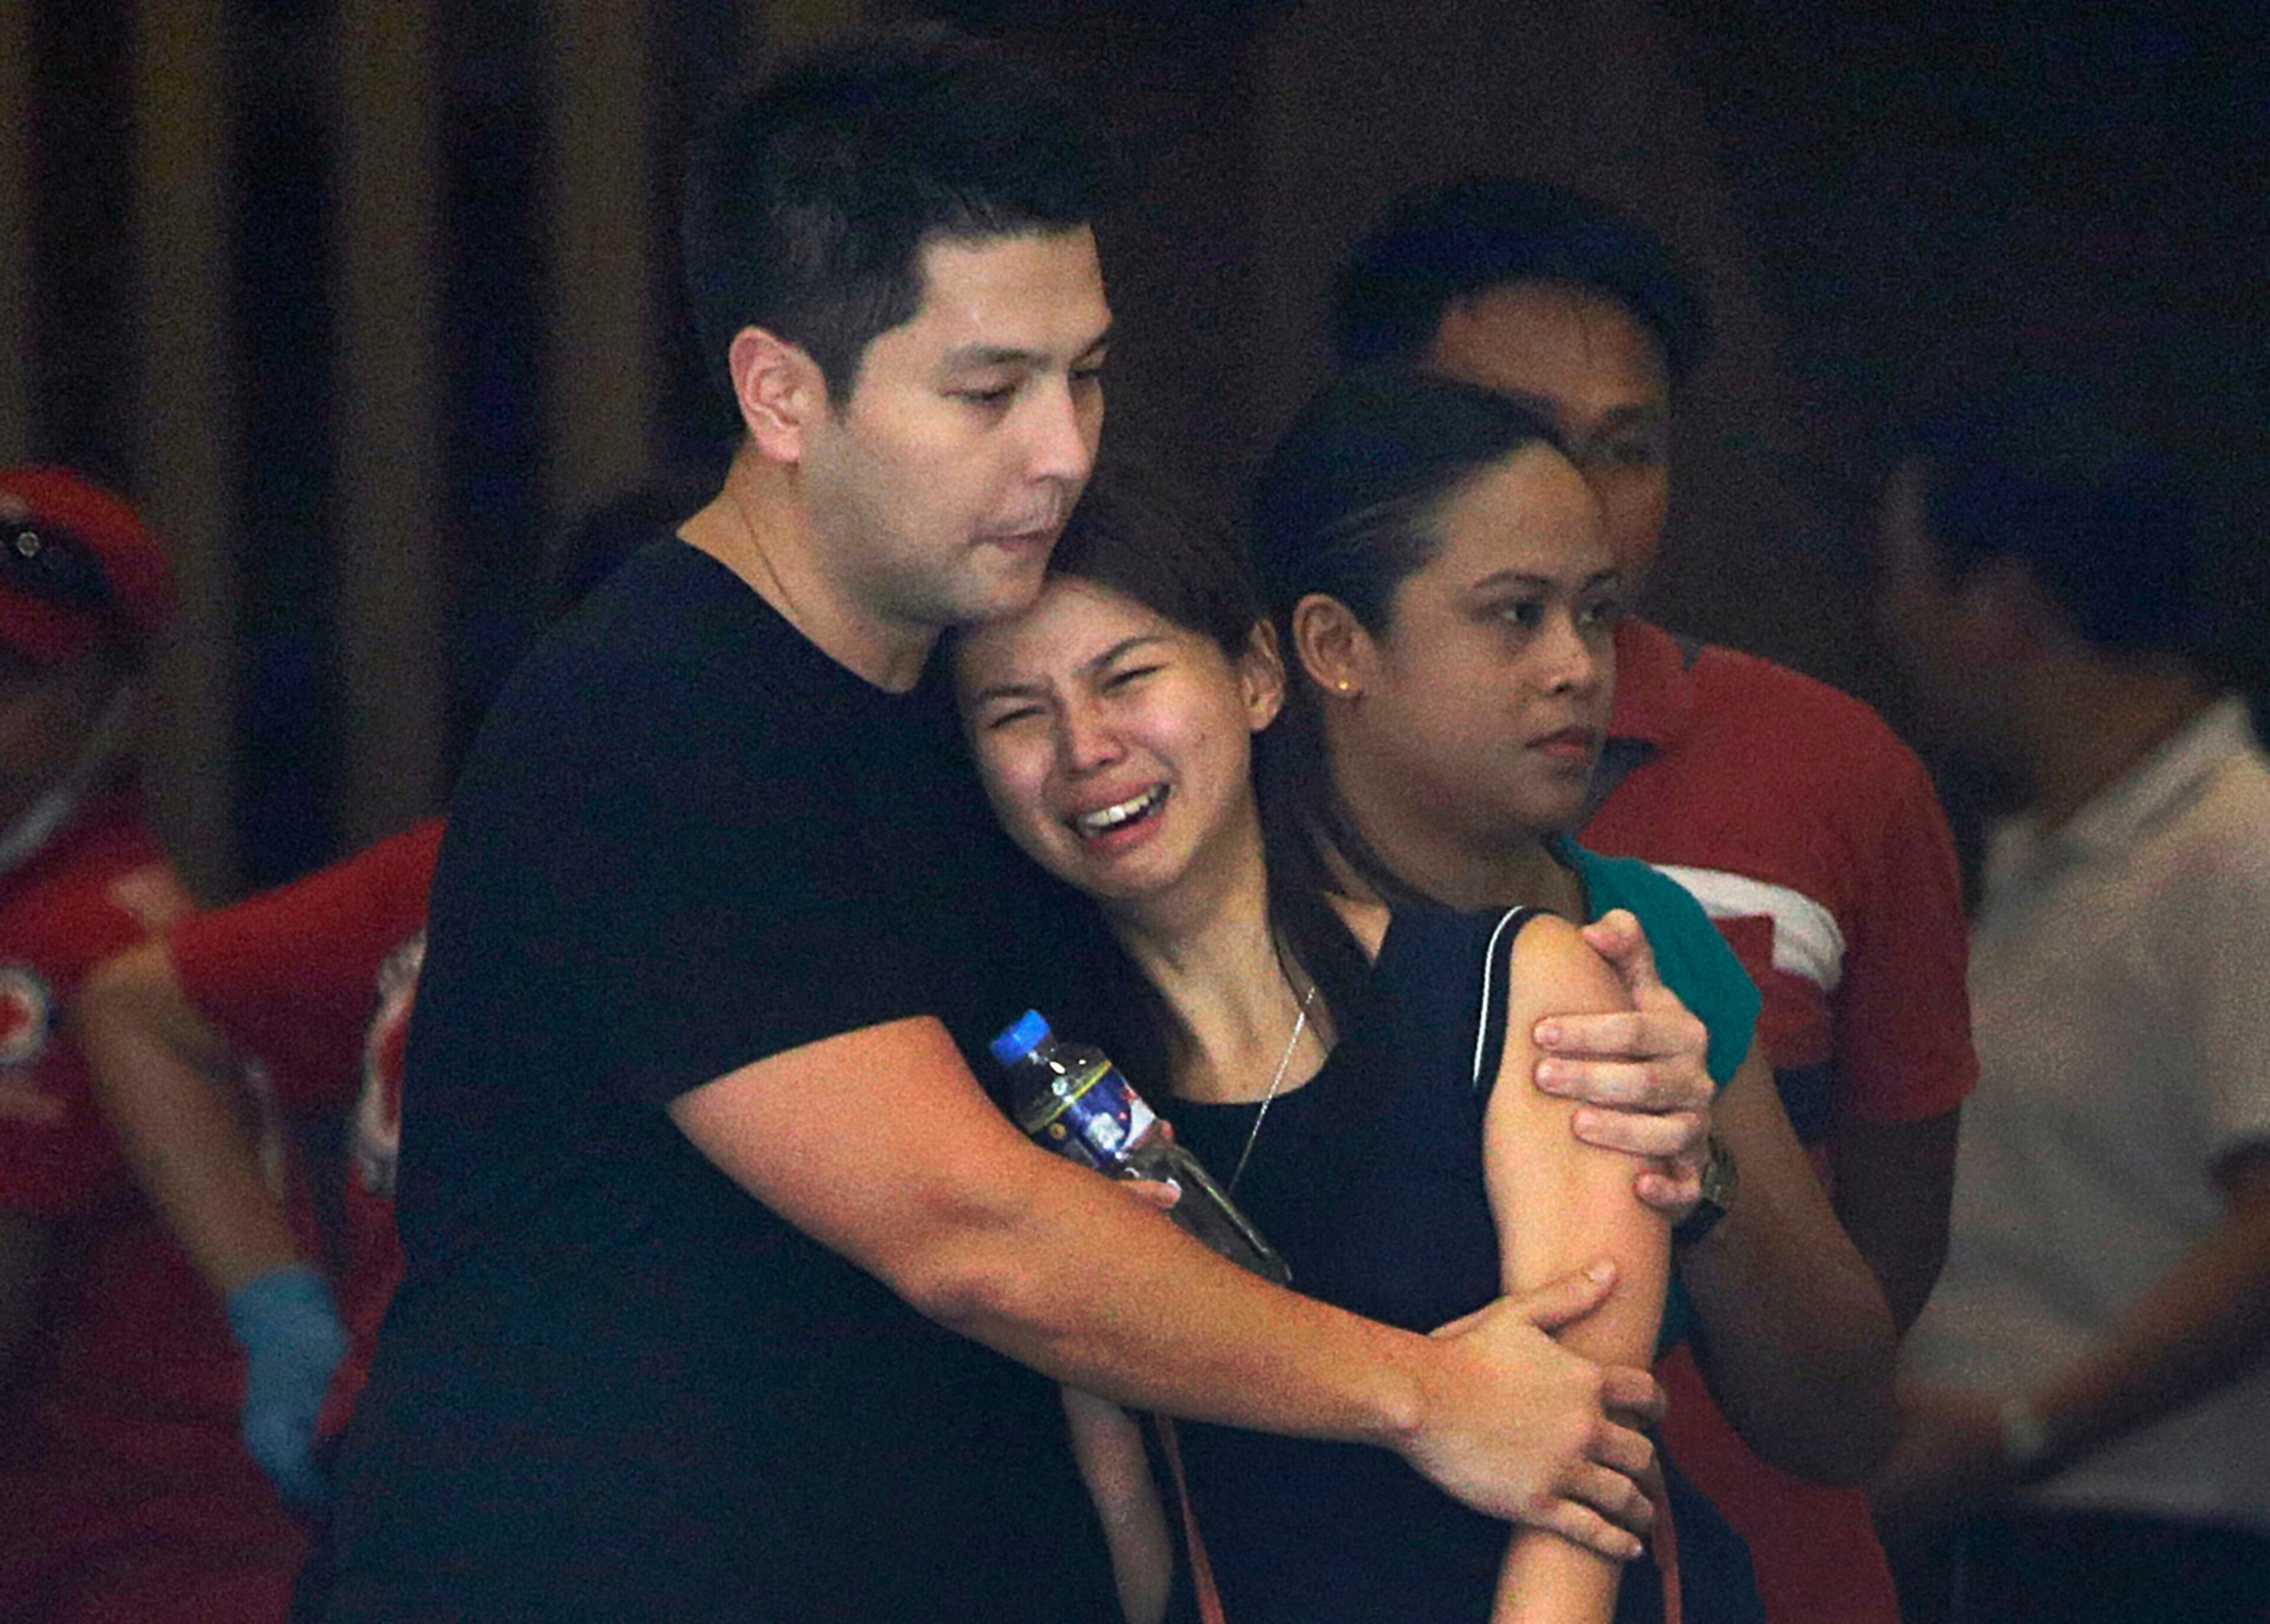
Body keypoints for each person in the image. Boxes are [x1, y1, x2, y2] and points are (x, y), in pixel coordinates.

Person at [306, 37, 1717, 1622]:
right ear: (781, 390)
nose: (1062, 447)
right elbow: (969, 1229)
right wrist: (1429, 1394)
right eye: (989, 390)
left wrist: (1618, 1056)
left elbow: (1256, 1018)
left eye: (1087, 374)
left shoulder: (957, 705)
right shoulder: (659, 718)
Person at [1332, 177, 1976, 1623]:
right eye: (1517, 443)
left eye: (1630, 451)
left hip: (1756, 1569)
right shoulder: (1227, 820)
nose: (1581, 514)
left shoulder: (1833, 775)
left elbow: (1876, 1308)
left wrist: (1705, 1171)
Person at [954, 452, 1730, 1624]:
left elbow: (1586, 1501)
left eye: (1129, 677)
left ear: (1260, 676)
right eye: (1018, 713)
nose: (1086, 745)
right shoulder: (1046, 1112)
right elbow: (1141, 1560)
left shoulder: (1518, 988)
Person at [1250, 365, 1903, 1609]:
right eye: (1513, 615)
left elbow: (1844, 1422)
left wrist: (1693, 1169)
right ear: (1335, 645)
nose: (1576, 668)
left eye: (1596, 614)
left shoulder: (1637, 935)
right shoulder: (1217, 925)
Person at [76, 484, 691, 1532]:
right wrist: (278, 1308)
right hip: (430, 1475)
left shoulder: (803, 886)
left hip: (659, 1484)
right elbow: (137, 1011)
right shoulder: (458, 867)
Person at [1867, 383, 2270, 1622]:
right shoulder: (2040, 862)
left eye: (1906, 581)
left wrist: (2025, 1432)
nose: (1888, 624)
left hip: (2155, 1546)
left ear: (2002, 608)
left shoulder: (2235, 846)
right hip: (2010, 1531)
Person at [0, 466, 308, 1623]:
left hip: (124, 1572)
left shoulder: (57, 951)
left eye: (9, 677)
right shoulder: (95, 906)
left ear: (118, 700)